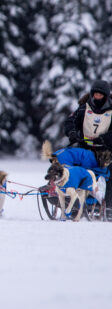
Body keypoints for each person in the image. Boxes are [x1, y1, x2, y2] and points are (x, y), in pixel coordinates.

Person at [64, 79, 112, 218]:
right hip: (85, 148)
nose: (97, 97)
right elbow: (70, 122)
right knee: (75, 170)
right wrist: (72, 132)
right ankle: (73, 200)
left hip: (106, 150)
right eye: (95, 94)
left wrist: (105, 139)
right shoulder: (84, 108)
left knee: (109, 175)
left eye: (100, 95)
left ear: (106, 96)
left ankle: (108, 205)